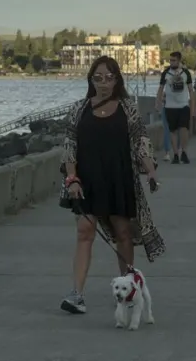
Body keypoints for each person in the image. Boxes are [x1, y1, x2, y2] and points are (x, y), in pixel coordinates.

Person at [61, 56, 165, 315]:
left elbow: (141, 141)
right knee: (85, 231)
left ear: (117, 79)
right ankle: (77, 295)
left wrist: (151, 170)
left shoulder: (127, 108)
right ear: (90, 80)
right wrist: (72, 179)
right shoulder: (79, 109)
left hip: (119, 177)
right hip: (87, 179)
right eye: (98, 77)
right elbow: (69, 146)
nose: (104, 82)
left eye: (109, 77)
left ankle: (128, 289)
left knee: (123, 234)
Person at [155, 51, 193, 164]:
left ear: (179, 61)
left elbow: (191, 90)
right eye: (170, 60)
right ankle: (176, 154)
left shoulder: (186, 73)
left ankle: (184, 152)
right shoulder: (166, 73)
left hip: (183, 105)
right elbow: (161, 88)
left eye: (174, 60)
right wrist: (158, 102)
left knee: (184, 129)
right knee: (172, 131)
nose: (171, 62)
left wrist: (193, 106)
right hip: (170, 106)